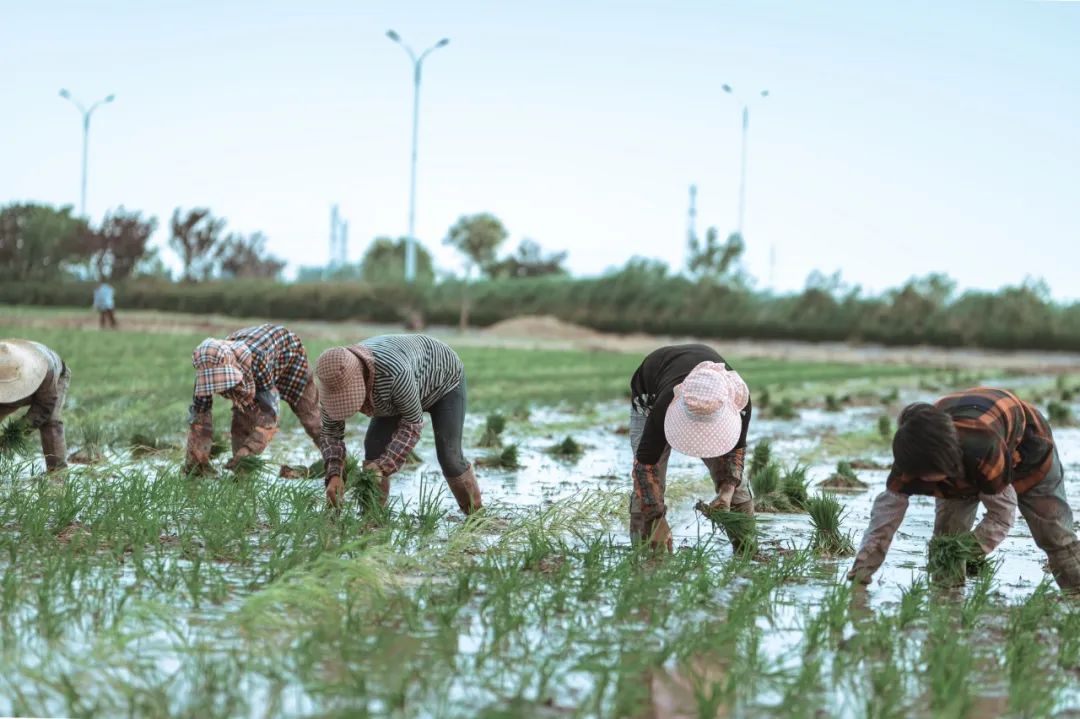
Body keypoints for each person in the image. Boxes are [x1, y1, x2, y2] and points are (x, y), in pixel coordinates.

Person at [848, 388, 1080, 593]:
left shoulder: (981, 447)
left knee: (1054, 532)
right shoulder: (912, 457)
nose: (926, 482)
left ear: (949, 461)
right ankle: (946, 600)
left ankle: (1076, 592)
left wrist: (966, 550)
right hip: (963, 447)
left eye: (932, 476)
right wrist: (861, 575)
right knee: (947, 536)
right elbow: (883, 522)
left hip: (1026, 447)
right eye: (922, 477)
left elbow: (1002, 515)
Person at [315, 334, 482, 515]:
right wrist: (334, 474)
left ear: (361, 377)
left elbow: (412, 424)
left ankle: (476, 515)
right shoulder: (332, 382)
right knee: (374, 447)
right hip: (398, 389)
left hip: (443, 379)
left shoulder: (394, 373)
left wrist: (384, 466)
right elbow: (330, 433)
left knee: (449, 457)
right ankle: (372, 518)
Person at [629, 344, 753, 551]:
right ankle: (648, 551)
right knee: (650, 483)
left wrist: (726, 493)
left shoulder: (738, 401)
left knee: (737, 486)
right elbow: (645, 467)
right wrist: (656, 518)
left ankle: (746, 548)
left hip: (710, 392)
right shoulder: (662, 407)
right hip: (650, 392)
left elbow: (735, 455)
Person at [184, 324, 321, 473]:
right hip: (257, 362)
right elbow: (199, 420)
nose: (222, 388)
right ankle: (241, 472)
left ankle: (337, 464)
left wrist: (248, 451)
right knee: (243, 420)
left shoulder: (257, 358)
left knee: (312, 419)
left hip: (290, 357)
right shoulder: (206, 367)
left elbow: (270, 416)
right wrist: (196, 461)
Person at [0, 339, 70, 471]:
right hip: (18, 381)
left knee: (51, 423)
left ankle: (57, 472)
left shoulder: (44, 368)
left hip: (48, 385)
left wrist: (16, 432)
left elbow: (44, 407)